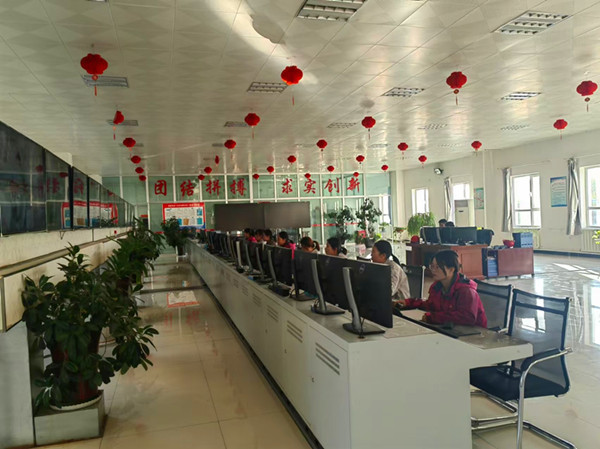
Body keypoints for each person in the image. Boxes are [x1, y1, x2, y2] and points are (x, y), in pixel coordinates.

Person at [396, 250, 487, 327]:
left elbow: (467, 317)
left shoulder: (466, 291)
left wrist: (433, 317)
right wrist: (408, 303)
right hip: (449, 328)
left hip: (473, 334)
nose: (433, 270)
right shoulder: (437, 287)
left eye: (438, 267)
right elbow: (431, 305)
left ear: (451, 269)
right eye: (432, 266)